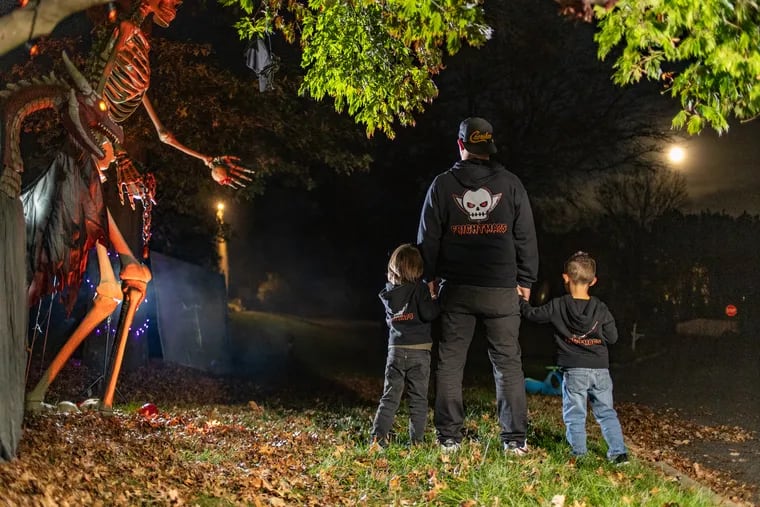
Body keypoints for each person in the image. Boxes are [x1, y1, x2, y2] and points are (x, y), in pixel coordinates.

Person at [417, 117, 538, 454]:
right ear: (489, 147)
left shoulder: (442, 185)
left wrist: (429, 277)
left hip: (457, 290)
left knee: (451, 363)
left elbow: (428, 237)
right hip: (502, 291)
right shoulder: (511, 184)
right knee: (508, 364)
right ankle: (514, 440)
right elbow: (526, 236)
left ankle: (449, 438)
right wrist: (526, 279)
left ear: (461, 145)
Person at [519, 251, 629, 464]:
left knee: (575, 414)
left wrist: (520, 300)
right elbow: (613, 338)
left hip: (574, 370)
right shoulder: (601, 308)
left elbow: (532, 314)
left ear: (566, 278)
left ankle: (579, 454)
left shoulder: (558, 305)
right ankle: (618, 453)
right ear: (593, 281)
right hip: (600, 370)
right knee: (606, 412)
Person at [371, 244, 440, 447]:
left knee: (390, 397)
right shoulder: (419, 289)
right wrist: (436, 299)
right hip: (419, 351)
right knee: (418, 399)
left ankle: (378, 438)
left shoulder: (389, 293)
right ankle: (416, 443)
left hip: (396, 351)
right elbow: (429, 313)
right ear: (417, 268)